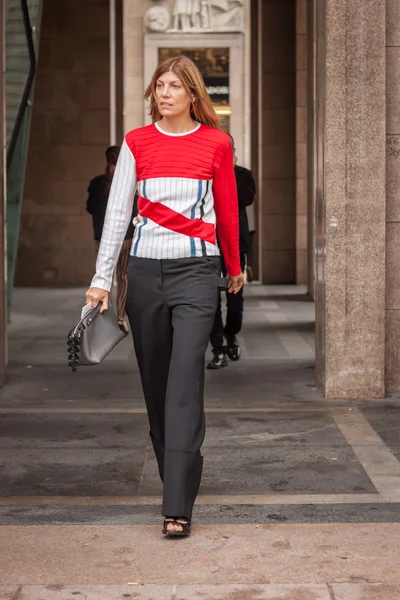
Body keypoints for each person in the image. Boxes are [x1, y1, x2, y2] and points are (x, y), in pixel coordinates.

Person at [85, 55, 243, 537]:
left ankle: (177, 504)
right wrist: (102, 280)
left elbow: (227, 208)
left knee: (184, 379)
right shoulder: (137, 142)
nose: (165, 93)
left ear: (194, 94)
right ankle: (174, 478)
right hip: (147, 274)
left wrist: (234, 266)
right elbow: (116, 216)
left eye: (175, 85)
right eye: (160, 85)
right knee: (156, 385)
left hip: (196, 274)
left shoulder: (217, 143)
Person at [207, 136, 256, 369]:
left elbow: (245, 199)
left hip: (236, 245)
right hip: (210, 246)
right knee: (212, 300)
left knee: (235, 300)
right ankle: (218, 349)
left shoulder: (243, 175)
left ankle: (231, 334)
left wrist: (228, 171)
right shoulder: (207, 173)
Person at [86, 146, 137, 334]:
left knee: (103, 279)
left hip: (103, 238)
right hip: (128, 237)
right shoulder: (129, 181)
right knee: (123, 277)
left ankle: (102, 319)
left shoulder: (98, 183)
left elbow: (90, 208)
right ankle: (120, 316)